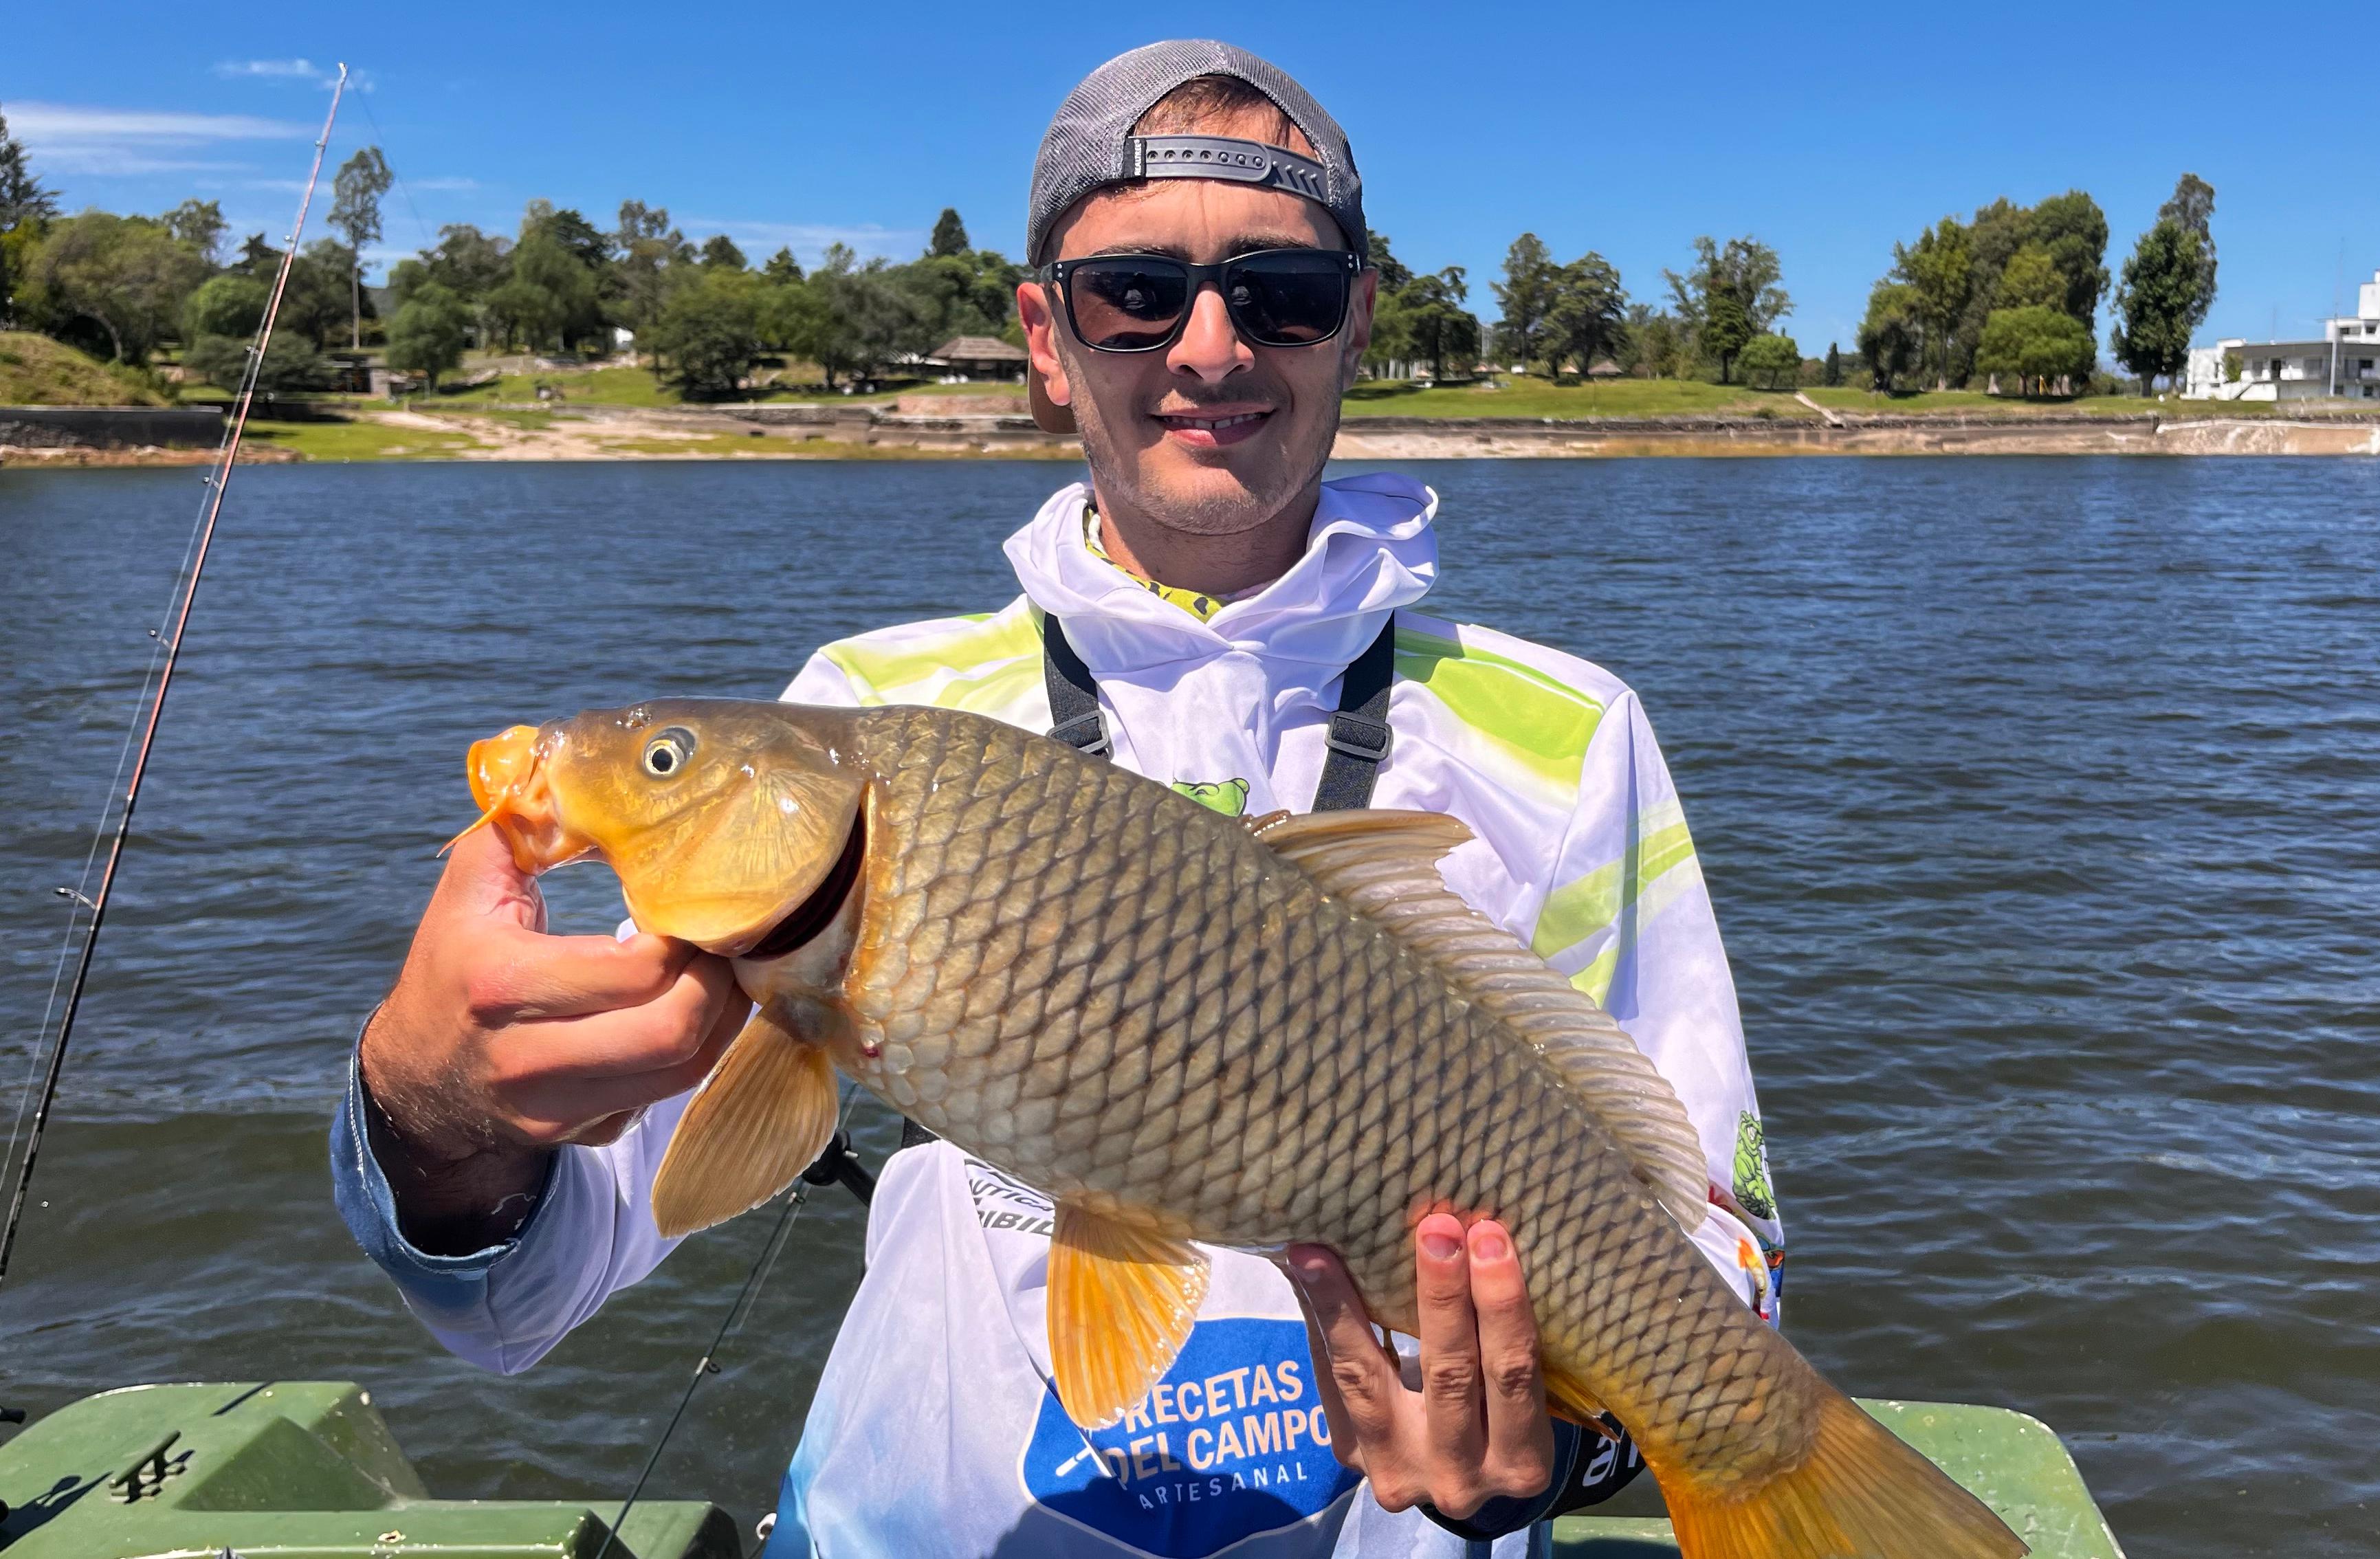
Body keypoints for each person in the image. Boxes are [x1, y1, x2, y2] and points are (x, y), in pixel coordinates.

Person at [333, 40, 1786, 1559]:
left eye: (1280, 291)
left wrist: (1564, 1445)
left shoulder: (1576, 734)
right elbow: (524, 1292)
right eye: (1136, 293)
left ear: (1356, 323)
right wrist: (437, 1114)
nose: (1211, 347)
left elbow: (1707, 1234)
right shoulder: (853, 710)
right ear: (1044, 337)